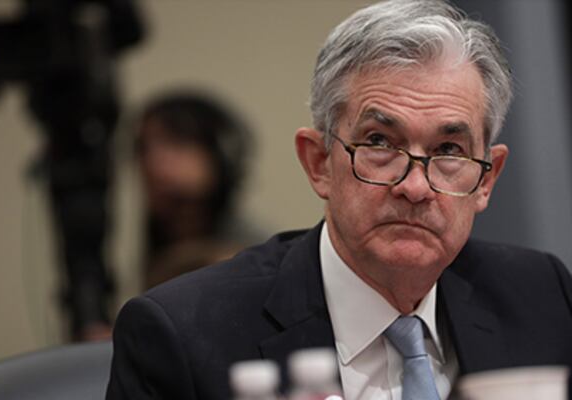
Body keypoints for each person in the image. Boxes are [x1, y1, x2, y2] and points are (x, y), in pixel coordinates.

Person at [106, 1, 572, 399]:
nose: (414, 186)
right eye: (380, 143)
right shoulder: (182, 334)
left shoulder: (540, 295)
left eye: (448, 150)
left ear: (487, 179)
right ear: (319, 163)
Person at [135, 91, 263, 288]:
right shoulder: (158, 240)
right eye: (144, 148)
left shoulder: (256, 255)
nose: (153, 161)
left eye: (176, 143)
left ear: (222, 153)